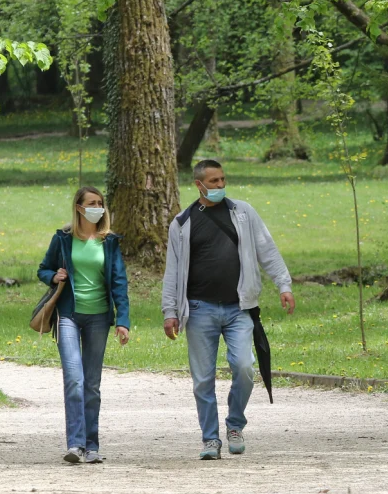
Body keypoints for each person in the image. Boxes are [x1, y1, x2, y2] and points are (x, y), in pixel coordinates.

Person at [162, 159, 295, 460]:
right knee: (203, 379)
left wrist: (284, 285)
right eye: (214, 181)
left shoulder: (243, 213)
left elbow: (267, 249)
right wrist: (170, 312)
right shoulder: (182, 224)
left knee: (245, 367)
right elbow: (173, 272)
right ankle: (210, 439)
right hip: (199, 309)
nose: (220, 185)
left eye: (222, 179)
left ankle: (235, 424)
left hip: (239, 308)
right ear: (199, 185)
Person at [37, 186, 131, 464]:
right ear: (79, 208)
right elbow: (43, 268)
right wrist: (54, 276)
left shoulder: (109, 241)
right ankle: (75, 444)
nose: (97, 207)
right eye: (92, 203)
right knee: (74, 379)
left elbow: (119, 283)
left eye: (100, 203)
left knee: (91, 384)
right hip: (68, 315)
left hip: (99, 317)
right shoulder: (63, 238)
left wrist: (123, 321)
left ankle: (92, 446)